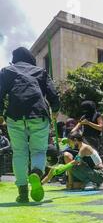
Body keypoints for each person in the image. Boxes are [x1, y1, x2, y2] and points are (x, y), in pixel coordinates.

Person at [0, 47, 60, 203]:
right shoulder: (40, 71)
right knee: (39, 150)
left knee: (19, 152)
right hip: (39, 113)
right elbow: (53, 93)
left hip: (15, 115)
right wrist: (56, 109)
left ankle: (23, 192)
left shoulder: (6, 71)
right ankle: (36, 173)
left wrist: (0, 114)